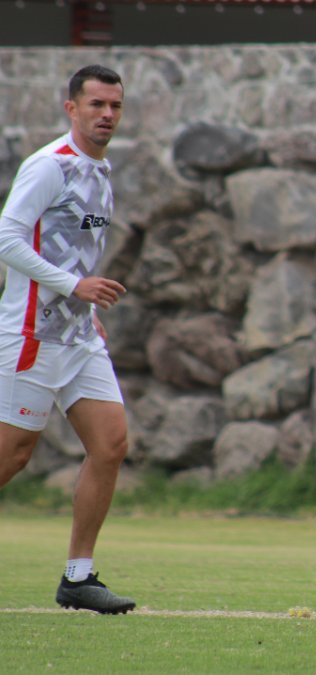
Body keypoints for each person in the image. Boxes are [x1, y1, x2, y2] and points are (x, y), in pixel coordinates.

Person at [0, 65, 134, 615]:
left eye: (115, 106)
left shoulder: (100, 170)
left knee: (111, 444)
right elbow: (7, 236)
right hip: (31, 336)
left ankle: (78, 578)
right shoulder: (49, 167)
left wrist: (83, 305)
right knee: (12, 457)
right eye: (96, 104)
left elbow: (72, 246)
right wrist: (72, 285)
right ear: (71, 108)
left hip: (78, 338)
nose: (106, 114)